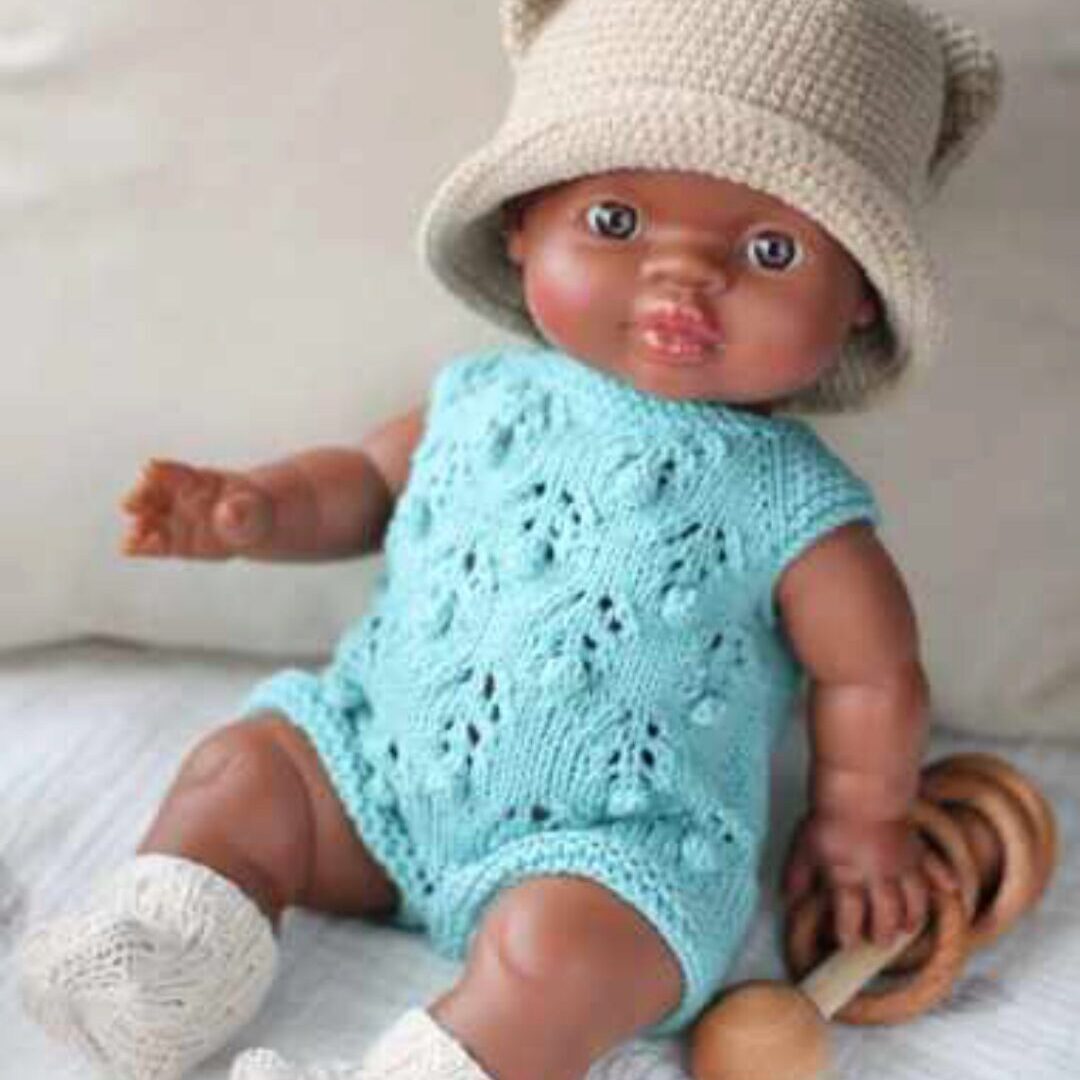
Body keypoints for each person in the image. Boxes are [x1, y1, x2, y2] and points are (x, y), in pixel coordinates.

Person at [16, 1, 1002, 1078]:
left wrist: (860, 822)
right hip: (370, 779)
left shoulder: (793, 503)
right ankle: (167, 967)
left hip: (610, 855)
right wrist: (257, 510)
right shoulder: (479, 398)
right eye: (616, 221)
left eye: (771, 249)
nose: (684, 277)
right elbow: (364, 486)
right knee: (239, 772)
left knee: (552, 959)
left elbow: (871, 675)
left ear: (857, 298)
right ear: (524, 222)